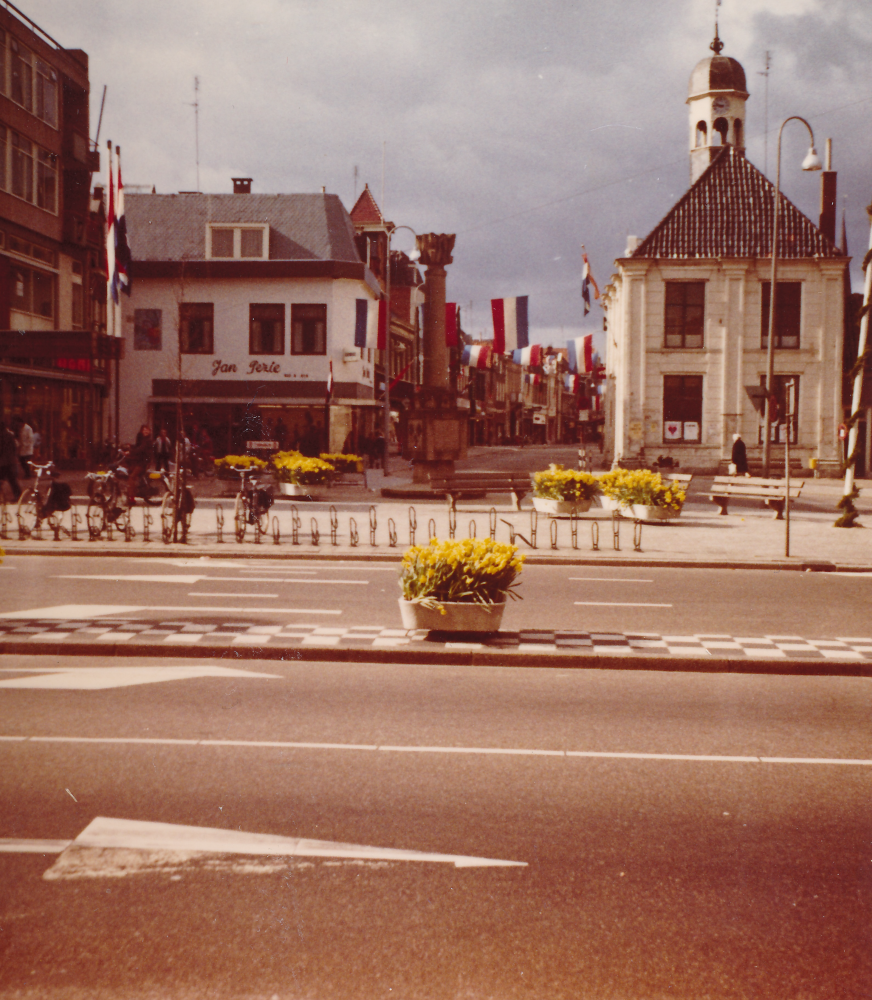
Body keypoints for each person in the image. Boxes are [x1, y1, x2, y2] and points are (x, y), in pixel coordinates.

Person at [125, 424, 153, 505]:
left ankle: (132, 499)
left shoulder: (148, 440)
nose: (146, 431)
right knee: (129, 472)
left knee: (131, 477)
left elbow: (140, 449)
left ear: (149, 431)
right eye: (144, 430)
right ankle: (132, 490)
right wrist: (130, 446)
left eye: (147, 430)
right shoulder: (143, 439)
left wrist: (130, 451)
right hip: (140, 461)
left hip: (143, 463)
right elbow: (138, 447)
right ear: (141, 431)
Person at [0, 420, 21, 501]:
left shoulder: (1, 436)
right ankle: (18, 494)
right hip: (10, 460)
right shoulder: (10, 435)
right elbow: (14, 447)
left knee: (6, 478)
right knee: (12, 480)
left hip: (2, 462)